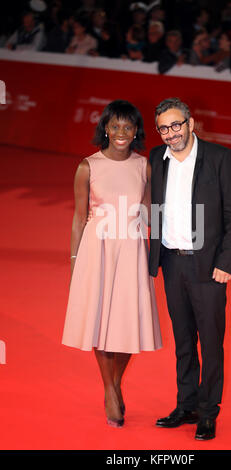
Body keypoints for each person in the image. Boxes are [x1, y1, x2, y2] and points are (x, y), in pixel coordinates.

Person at [62, 100, 162, 428]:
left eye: (128, 127)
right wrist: (76, 261)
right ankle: (109, 389)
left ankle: (116, 382)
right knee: (99, 320)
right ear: (105, 127)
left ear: (136, 132)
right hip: (98, 249)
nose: (121, 133)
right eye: (115, 126)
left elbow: (152, 213)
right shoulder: (87, 167)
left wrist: (160, 249)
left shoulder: (144, 166)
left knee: (129, 322)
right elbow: (79, 219)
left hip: (131, 249)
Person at [149, 97, 231, 440]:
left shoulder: (219, 158)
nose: (171, 133)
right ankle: (186, 404)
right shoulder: (156, 161)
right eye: (163, 128)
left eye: (176, 125)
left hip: (209, 269)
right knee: (184, 340)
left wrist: (225, 262)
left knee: (211, 342)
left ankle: (208, 412)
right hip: (172, 264)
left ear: (191, 123)